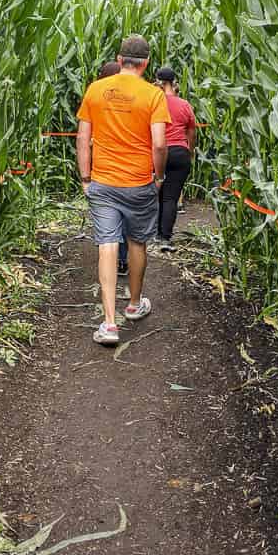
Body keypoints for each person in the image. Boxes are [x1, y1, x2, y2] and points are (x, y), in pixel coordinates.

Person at [76, 35, 170, 345]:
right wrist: (158, 176)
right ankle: (133, 305)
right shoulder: (153, 95)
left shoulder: (96, 89)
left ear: (119, 60)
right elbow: (159, 143)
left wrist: (86, 177)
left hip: (103, 182)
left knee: (106, 244)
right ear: (146, 63)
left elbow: (82, 137)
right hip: (138, 183)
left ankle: (109, 324)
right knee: (137, 243)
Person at [155, 67, 197, 249]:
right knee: (170, 197)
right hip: (180, 152)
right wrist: (191, 151)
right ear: (174, 82)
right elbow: (191, 131)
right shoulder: (185, 105)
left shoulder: (154, 103)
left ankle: (154, 234)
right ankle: (165, 237)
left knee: (156, 194)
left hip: (159, 152)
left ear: (158, 82)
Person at [96, 61, 130, 276]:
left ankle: (112, 260)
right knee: (125, 216)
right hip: (128, 169)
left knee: (108, 216)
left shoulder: (95, 96)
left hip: (103, 168)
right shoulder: (132, 98)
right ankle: (122, 260)